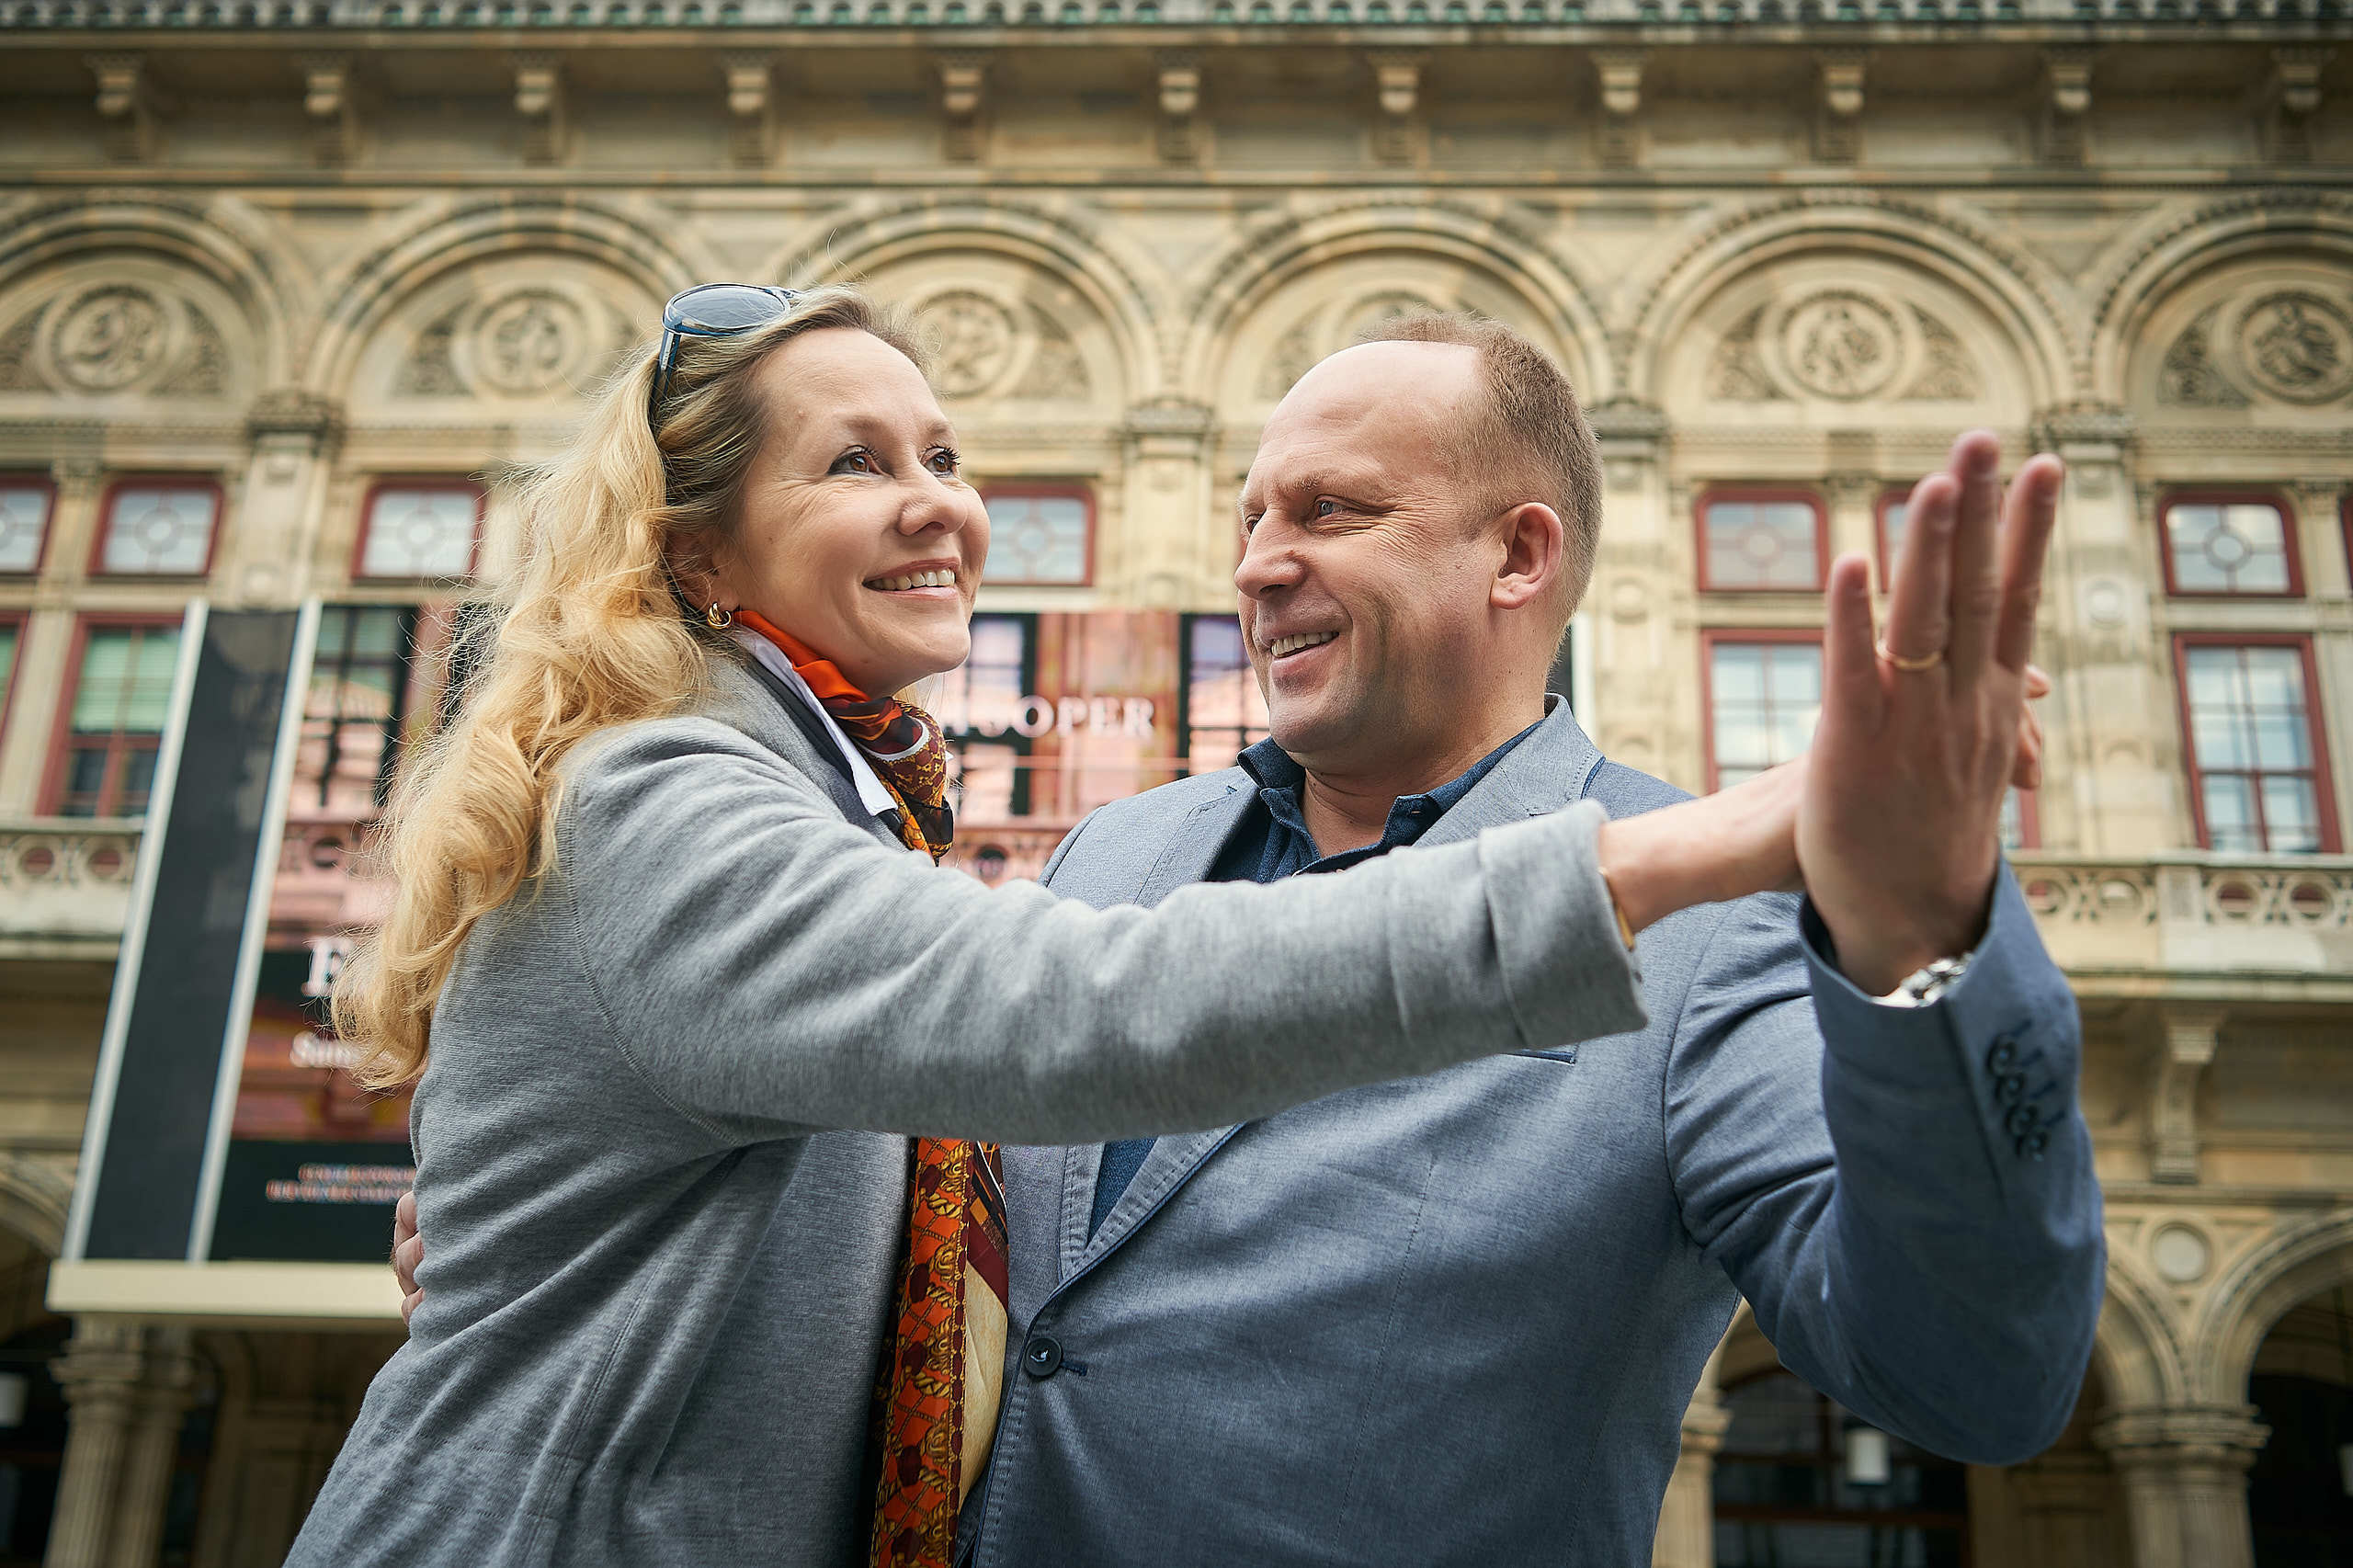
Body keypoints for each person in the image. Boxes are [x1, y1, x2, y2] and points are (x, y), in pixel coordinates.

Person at [290, 285, 1818, 1568]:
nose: (938, 500)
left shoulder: (825, 806)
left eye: (942, 452)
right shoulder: (667, 794)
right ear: (694, 554)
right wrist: (1703, 845)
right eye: (851, 462)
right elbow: (1064, 1009)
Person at [949, 317, 2103, 1566]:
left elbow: (1972, 1373)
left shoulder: (1708, 918)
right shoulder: (1112, 854)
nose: (1260, 567)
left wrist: (1927, 946)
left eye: (1330, 510)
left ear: (1519, 553)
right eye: (1252, 520)